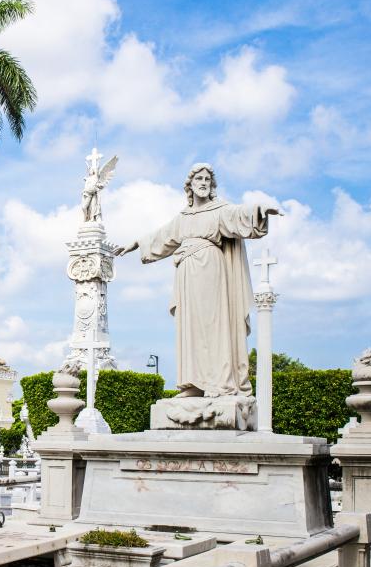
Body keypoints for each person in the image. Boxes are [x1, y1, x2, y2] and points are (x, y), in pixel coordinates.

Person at [116, 163, 280, 397]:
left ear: (211, 186)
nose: (203, 183)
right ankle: (192, 384)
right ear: (190, 185)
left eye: (207, 179)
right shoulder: (183, 218)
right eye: (198, 179)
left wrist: (259, 211)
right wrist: (134, 244)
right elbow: (161, 236)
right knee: (189, 328)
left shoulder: (219, 210)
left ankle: (219, 383)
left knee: (214, 326)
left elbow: (239, 216)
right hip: (186, 276)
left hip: (210, 270)